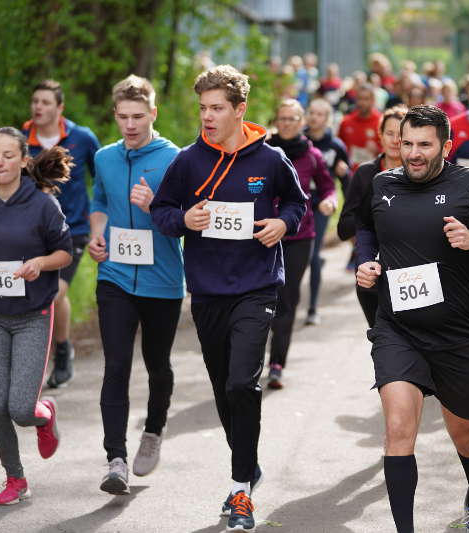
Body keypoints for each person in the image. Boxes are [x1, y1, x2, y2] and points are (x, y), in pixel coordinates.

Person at [355, 105, 469, 533]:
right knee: (398, 428)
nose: (412, 153)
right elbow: (366, 229)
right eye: (406, 143)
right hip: (398, 329)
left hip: (459, 334)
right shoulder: (381, 184)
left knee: (464, 435)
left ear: (446, 147)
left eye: (424, 145)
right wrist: (366, 263)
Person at [150, 64, 306, 531]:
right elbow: (162, 209)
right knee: (223, 389)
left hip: (256, 287)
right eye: (203, 108)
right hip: (207, 291)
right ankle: (247, 463)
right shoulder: (189, 161)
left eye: (217, 108)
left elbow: (295, 203)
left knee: (243, 383)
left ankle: (240, 492)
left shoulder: (270, 160)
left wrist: (284, 224)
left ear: (240, 110)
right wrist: (184, 222)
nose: (208, 117)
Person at [0, 127, 73, 505]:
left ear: (24, 160)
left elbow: (65, 253)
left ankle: (45, 415)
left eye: (8, 155)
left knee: (21, 408)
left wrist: (41, 263)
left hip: (32, 315)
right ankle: (16, 478)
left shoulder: (42, 205)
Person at [87, 75, 185, 494]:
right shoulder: (105, 158)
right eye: (123, 117)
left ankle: (154, 430)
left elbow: (187, 219)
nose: (130, 125)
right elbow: (100, 203)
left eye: (138, 117)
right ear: (115, 115)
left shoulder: (175, 159)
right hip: (115, 278)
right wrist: (96, 235)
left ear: (153, 114)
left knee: (158, 366)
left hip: (162, 281)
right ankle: (116, 459)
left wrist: (155, 205)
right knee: (116, 365)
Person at [22, 80, 101, 389]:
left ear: (59, 108)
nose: (38, 107)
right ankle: (30, 358)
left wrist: (100, 219)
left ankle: (63, 351)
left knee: (55, 292)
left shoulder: (82, 138)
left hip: (74, 230)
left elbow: (101, 179)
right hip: (33, 232)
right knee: (34, 294)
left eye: (45, 102)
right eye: (35, 101)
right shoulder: (21, 140)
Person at [266, 99, 336, 389]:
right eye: (281, 118)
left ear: (301, 121)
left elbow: (328, 185)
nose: (285, 123)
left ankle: (277, 363)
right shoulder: (263, 151)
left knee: (287, 299)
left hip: (299, 236)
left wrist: (330, 201)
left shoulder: (312, 154)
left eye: (291, 119)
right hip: (263, 235)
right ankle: (252, 356)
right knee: (261, 298)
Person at [337, 104, 408, 328]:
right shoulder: (366, 173)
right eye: (390, 133)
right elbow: (344, 227)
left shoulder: (421, 173)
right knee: (383, 335)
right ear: (380, 136)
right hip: (373, 269)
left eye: (402, 134)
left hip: (411, 266)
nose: (396, 140)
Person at [304, 98, 350, 326]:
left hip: (321, 205)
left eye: (320, 114)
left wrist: (343, 172)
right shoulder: (298, 140)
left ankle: (312, 308)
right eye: (311, 112)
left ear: (328, 118)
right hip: (296, 204)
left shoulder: (336, 146)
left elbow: (346, 183)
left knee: (312, 255)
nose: (314, 117)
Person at [338, 83, 382, 170]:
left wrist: (378, 150)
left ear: (373, 100)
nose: (362, 102)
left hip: (375, 173)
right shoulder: (346, 122)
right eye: (359, 99)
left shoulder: (382, 121)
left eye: (366, 99)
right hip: (351, 174)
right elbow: (339, 148)